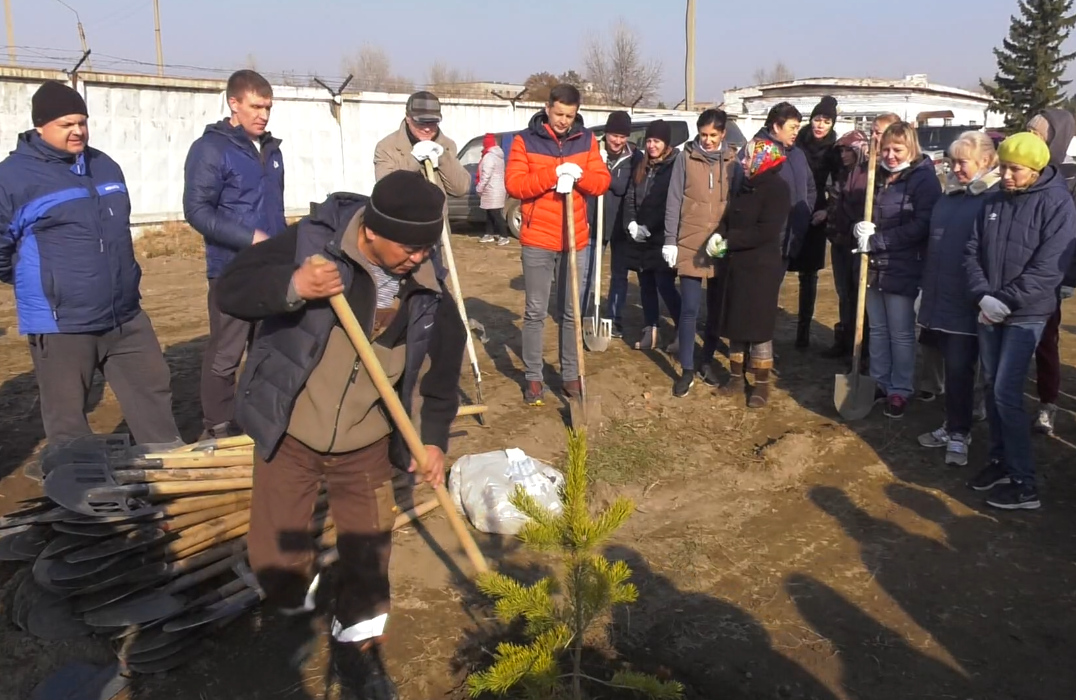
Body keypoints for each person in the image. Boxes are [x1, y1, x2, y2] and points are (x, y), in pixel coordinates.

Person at [214, 170, 467, 698]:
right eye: (409, 246)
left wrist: (435, 439)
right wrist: (294, 287)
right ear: (371, 231)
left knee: (369, 556)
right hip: (291, 430)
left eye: (427, 247)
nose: (418, 257)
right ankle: (294, 602)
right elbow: (232, 288)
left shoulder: (426, 287)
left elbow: (443, 375)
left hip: (367, 443)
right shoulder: (312, 243)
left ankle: (357, 648)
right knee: (276, 555)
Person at [0, 81, 181, 449]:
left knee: (154, 393)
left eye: (82, 122)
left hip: (124, 313)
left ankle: (170, 472)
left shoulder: (105, 166)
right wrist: (49, 285)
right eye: (67, 124)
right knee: (68, 419)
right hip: (62, 322)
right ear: (40, 126)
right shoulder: (13, 178)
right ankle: (80, 490)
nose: (78, 131)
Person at [965, 133, 1076, 510]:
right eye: (1003, 167)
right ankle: (1000, 461)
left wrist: (1004, 300)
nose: (1007, 175)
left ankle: (1024, 482)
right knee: (992, 385)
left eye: (1015, 169)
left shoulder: (1057, 204)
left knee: (1006, 393)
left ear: (1037, 168)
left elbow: (1049, 268)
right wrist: (982, 294)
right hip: (988, 309)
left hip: (1026, 314)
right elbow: (972, 250)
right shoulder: (995, 199)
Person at [183, 69, 287, 440]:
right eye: (256, 106)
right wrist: (248, 238)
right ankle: (218, 426)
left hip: (270, 270)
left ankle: (256, 418)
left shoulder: (272, 151)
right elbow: (196, 209)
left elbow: (274, 208)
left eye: (268, 108)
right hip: (232, 269)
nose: (263, 114)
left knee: (268, 348)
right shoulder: (212, 149)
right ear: (234, 103)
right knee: (227, 353)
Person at [504, 83, 610, 406]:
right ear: (547, 108)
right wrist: (553, 174)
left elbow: (601, 181)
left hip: (574, 237)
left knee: (570, 312)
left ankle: (570, 374)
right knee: (535, 311)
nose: (564, 120)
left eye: (570, 115)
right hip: (538, 238)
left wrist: (578, 176)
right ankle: (534, 377)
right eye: (559, 113)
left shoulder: (587, 139)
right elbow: (516, 185)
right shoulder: (526, 140)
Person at [916, 131, 999, 466]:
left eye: (962, 162)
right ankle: (952, 423)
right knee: (949, 368)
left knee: (961, 369)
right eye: (952, 161)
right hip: (939, 294)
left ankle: (959, 433)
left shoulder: (991, 200)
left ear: (985, 162)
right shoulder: (949, 197)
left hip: (968, 300)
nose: (955, 167)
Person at [853, 122, 942, 419]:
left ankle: (900, 389)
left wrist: (877, 241)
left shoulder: (923, 179)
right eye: (886, 149)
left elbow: (921, 225)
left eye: (897, 149)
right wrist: (860, 228)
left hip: (904, 266)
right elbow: (870, 211)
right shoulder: (880, 177)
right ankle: (879, 381)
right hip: (876, 265)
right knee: (877, 329)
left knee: (901, 333)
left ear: (911, 148)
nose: (890, 155)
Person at [663, 109, 742, 394]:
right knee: (689, 309)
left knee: (716, 310)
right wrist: (670, 239)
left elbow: (738, 203)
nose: (707, 141)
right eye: (703, 135)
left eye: (712, 135)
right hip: (690, 241)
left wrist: (729, 236)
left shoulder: (734, 161)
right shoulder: (685, 159)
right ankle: (686, 368)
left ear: (723, 134)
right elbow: (674, 200)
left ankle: (706, 360)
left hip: (719, 244)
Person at [711, 139, 792, 408]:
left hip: (760, 269)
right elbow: (729, 217)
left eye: (747, 158)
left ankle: (761, 384)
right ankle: (735, 378)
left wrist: (729, 241)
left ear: (763, 159)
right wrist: (719, 235)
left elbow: (765, 230)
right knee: (736, 324)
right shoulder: (746, 185)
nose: (743, 162)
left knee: (758, 328)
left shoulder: (777, 189)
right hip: (736, 267)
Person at [1025, 109, 1076, 435]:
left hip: (1051, 275)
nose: (1030, 139)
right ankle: (989, 397)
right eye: (1027, 131)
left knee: (1045, 340)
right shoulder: (1019, 170)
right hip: (1012, 268)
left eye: (1037, 134)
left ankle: (1047, 403)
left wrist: (1068, 278)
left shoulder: (1071, 177)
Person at [623, 120, 681, 354]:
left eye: (656, 141)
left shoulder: (676, 165)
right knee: (645, 283)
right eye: (648, 141)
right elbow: (630, 197)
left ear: (666, 143)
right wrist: (632, 224)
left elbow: (672, 202)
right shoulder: (641, 164)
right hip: (641, 237)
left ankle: (682, 330)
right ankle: (651, 329)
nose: (651, 146)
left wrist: (654, 227)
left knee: (665, 284)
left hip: (663, 236)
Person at [789, 96, 840, 350]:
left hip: (816, 213)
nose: (820, 125)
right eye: (817, 119)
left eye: (826, 121)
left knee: (808, 276)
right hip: (790, 207)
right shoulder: (797, 141)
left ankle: (803, 331)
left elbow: (840, 186)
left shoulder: (835, 149)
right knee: (779, 265)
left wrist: (827, 211)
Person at [749, 103, 815, 271]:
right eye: (792, 127)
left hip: (792, 236)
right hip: (767, 239)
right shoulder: (759, 152)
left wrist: (804, 213)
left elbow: (810, 188)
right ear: (777, 127)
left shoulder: (798, 154)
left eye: (798, 127)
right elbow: (747, 193)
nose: (796, 132)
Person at [823, 129, 870, 359]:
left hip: (857, 242)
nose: (843, 154)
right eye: (841, 150)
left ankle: (860, 346)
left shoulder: (868, 175)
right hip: (839, 240)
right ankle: (844, 339)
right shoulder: (841, 174)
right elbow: (835, 203)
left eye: (848, 150)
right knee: (843, 292)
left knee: (857, 292)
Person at [373, 91, 470, 200]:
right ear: (408, 118)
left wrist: (442, 158)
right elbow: (386, 192)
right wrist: (415, 161)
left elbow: (460, 189)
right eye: (421, 122)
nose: (427, 129)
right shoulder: (387, 147)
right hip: (405, 217)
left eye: (432, 122)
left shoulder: (447, 145)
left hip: (437, 216)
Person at [595, 111, 641, 339]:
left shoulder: (635, 156)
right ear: (606, 133)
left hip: (622, 226)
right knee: (589, 273)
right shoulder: (593, 151)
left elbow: (625, 187)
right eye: (614, 135)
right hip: (595, 221)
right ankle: (587, 314)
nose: (618, 141)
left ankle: (614, 319)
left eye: (623, 136)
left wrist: (604, 176)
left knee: (619, 275)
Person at [476, 133, 509, 246]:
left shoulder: (489, 157)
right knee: (489, 212)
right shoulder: (498, 155)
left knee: (495, 213)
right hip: (497, 188)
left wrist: (479, 187)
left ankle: (504, 236)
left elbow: (486, 174)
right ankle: (488, 234)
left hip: (492, 189)